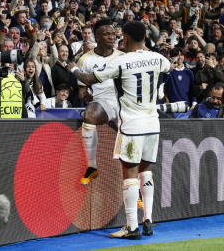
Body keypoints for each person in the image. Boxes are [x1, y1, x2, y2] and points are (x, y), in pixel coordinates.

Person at [67, 21, 172, 239]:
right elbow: (167, 66)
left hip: (132, 125)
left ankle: (131, 228)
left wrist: (73, 68)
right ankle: (148, 221)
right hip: (153, 124)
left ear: (124, 37)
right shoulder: (158, 58)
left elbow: (87, 79)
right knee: (147, 171)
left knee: (130, 176)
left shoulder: (121, 62)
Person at [75, 17, 125, 185]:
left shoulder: (123, 57)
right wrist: (85, 96)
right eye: (107, 34)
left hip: (123, 102)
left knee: (131, 132)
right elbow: (82, 90)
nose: (112, 37)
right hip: (103, 101)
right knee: (89, 115)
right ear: (96, 37)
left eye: (113, 34)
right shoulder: (85, 60)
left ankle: (135, 183)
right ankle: (92, 167)